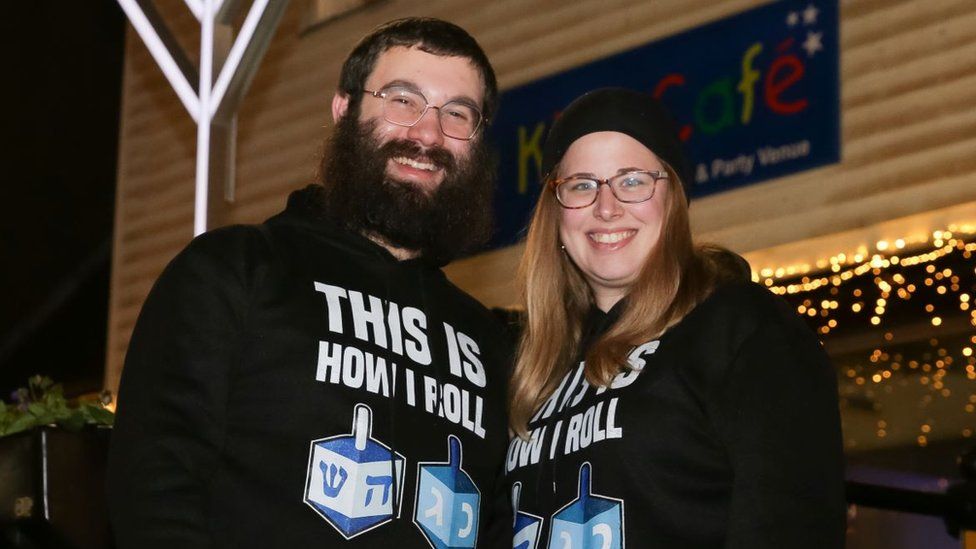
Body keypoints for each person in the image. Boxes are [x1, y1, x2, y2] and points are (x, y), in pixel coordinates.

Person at [108, 17, 512, 549]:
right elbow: (156, 484)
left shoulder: (487, 344)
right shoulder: (238, 268)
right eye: (402, 100)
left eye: (458, 114)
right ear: (344, 109)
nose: (428, 134)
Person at [504, 88, 846, 548]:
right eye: (582, 184)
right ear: (555, 212)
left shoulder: (739, 327)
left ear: (673, 199)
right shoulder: (535, 370)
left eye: (633, 181)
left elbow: (793, 525)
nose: (606, 207)